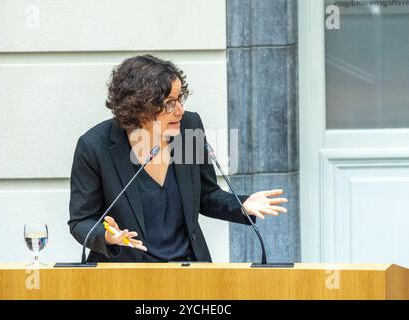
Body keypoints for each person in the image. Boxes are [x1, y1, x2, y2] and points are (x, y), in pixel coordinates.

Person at [68, 54, 288, 263]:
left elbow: (206, 195)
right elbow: (81, 221)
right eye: (169, 103)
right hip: (128, 274)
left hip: (188, 270)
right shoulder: (95, 146)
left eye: (180, 98)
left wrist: (241, 205)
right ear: (140, 106)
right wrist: (106, 236)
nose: (180, 110)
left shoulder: (187, 129)